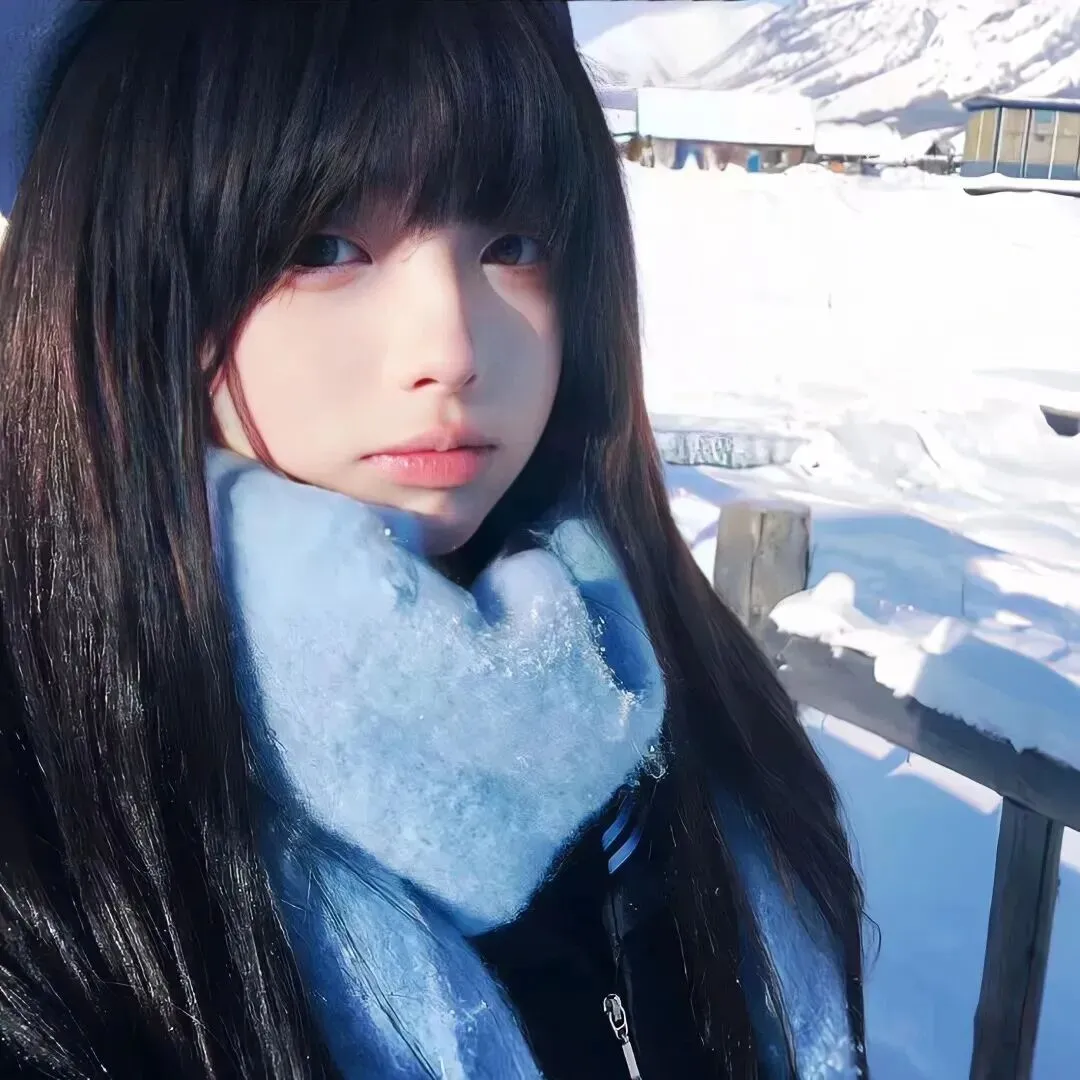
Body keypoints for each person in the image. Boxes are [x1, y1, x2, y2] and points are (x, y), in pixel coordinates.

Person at [0, 2, 871, 1078]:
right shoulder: (50, 833)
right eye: (323, 248)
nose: (453, 346)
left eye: (513, 246)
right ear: (120, 282)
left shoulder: (667, 687)